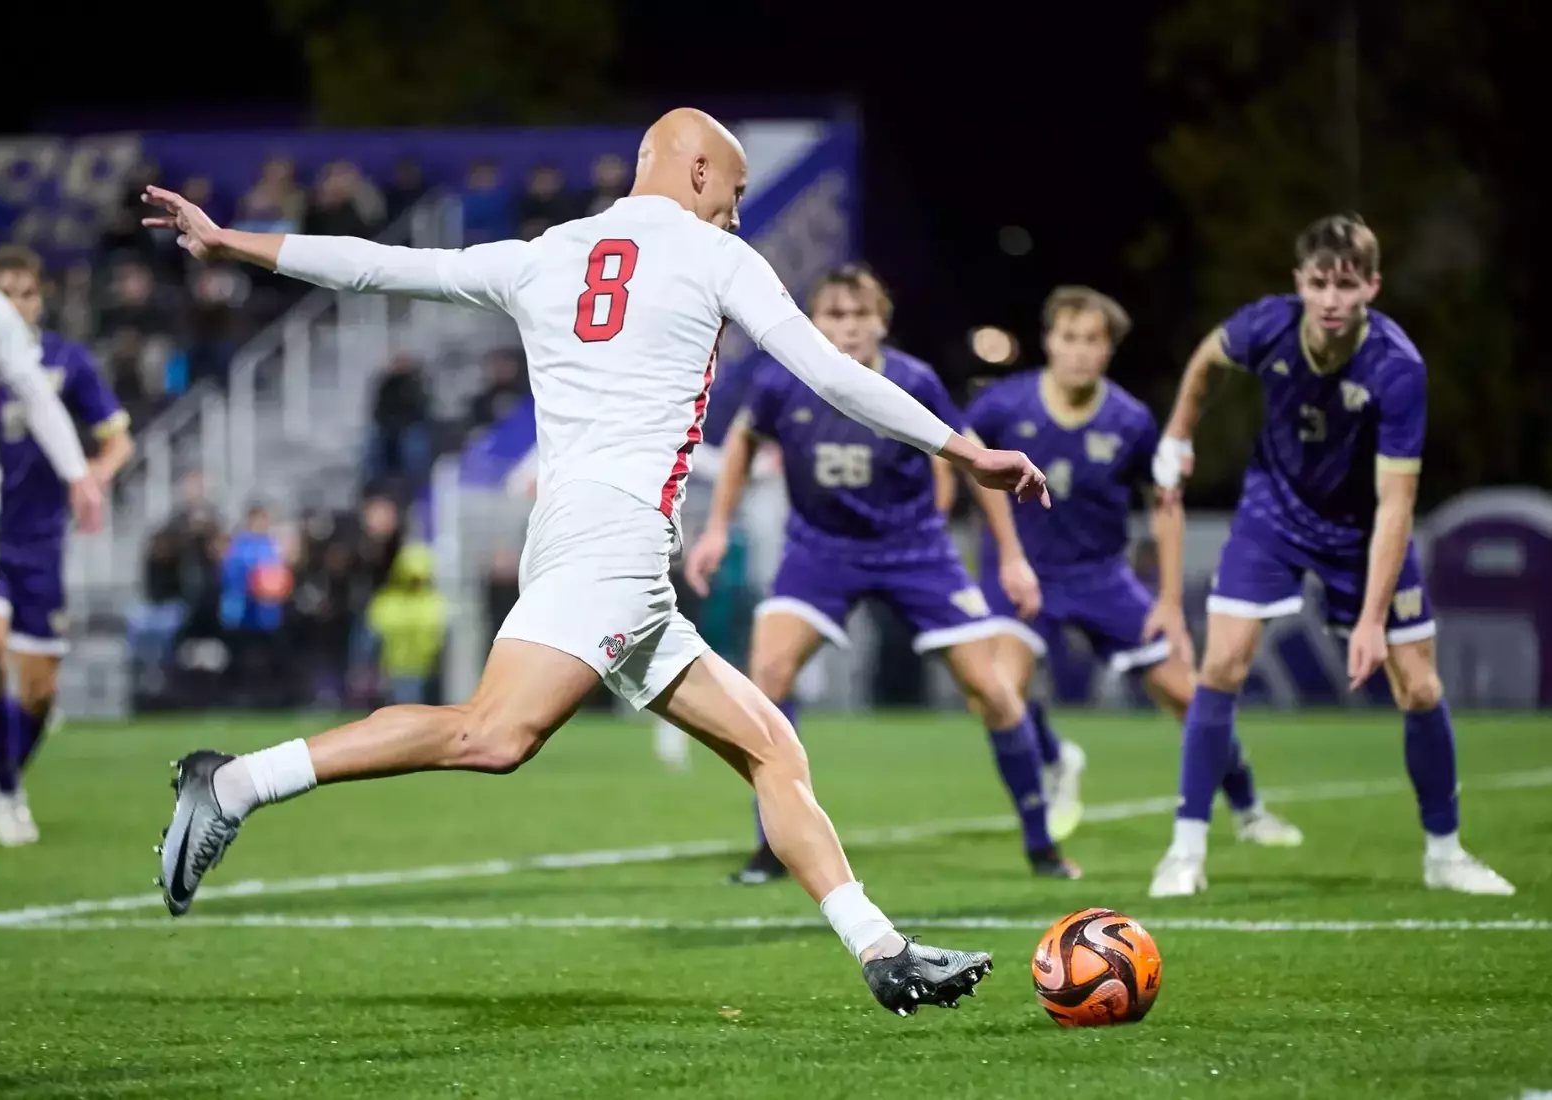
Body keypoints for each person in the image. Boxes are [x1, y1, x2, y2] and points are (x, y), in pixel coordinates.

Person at [144, 108, 1050, 1016]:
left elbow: (382, 265)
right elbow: (834, 374)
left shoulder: (545, 252)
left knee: (772, 745)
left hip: (595, 542)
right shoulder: (714, 255)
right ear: (697, 173)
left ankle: (882, 951)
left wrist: (232, 243)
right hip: (612, 540)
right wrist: (963, 452)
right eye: (733, 196)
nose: (736, 215)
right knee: (493, 734)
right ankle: (235, 781)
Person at [1146, 213, 1513, 898]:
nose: (1332, 299)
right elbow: (1205, 360)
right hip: (1274, 513)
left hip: (1362, 527)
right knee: (1220, 663)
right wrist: (1177, 436)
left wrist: (1371, 619)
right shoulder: (1268, 325)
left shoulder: (1397, 369)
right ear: (1299, 283)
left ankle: (1445, 853)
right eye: (1319, 283)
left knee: (1420, 686)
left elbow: (1397, 504)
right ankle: (1185, 850)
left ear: (1372, 285)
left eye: (1347, 284)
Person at [685, 264, 1081, 885]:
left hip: (914, 550)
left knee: (993, 689)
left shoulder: (915, 379)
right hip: (820, 551)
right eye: (835, 315)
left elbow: (976, 464)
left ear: (881, 322)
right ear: (814, 321)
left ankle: (1042, 844)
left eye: (860, 315)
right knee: (768, 673)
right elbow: (740, 442)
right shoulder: (783, 377)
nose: (847, 328)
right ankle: (771, 847)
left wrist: (1011, 557)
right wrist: (716, 527)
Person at [965, 285, 1300, 851]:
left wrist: (1169, 601)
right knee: (997, 690)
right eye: (1068, 337)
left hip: (1102, 576)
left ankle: (1248, 809)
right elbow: (966, 458)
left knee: (1188, 697)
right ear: (1049, 341)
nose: (1078, 351)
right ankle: (1056, 759)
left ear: (1108, 350)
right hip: (1027, 575)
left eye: (1092, 340)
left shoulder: (1130, 420)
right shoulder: (1004, 405)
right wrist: (1007, 556)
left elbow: (1165, 502)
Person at [0, 269, 104, 846]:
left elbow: (40, 398)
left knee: (38, 688)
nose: (17, 302)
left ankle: (6, 787)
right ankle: (6, 793)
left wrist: (82, 476)